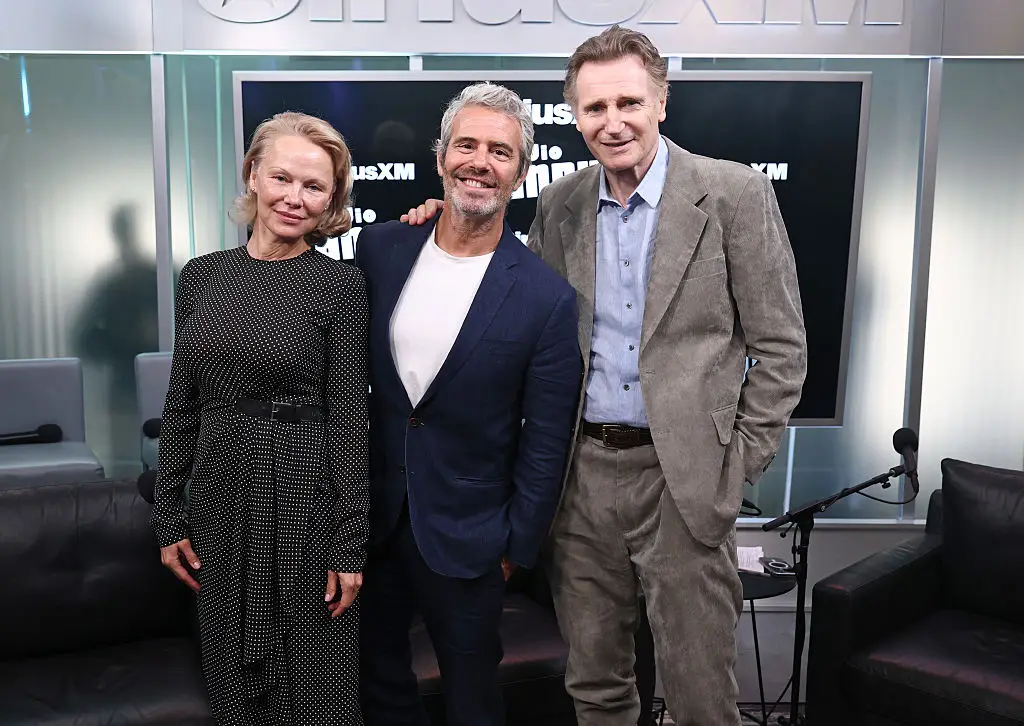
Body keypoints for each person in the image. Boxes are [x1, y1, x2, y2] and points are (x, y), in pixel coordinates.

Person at [404, 26, 807, 726]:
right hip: (580, 479)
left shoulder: (735, 194)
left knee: (702, 700)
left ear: (661, 103)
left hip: (684, 481)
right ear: (575, 114)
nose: (611, 122)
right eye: (594, 108)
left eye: (628, 102)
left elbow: (781, 348)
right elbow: (512, 296)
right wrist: (445, 223)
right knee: (595, 688)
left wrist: (735, 465)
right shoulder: (560, 203)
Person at [355, 82, 583, 726]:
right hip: (373, 524)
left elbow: (546, 438)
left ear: (521, 172)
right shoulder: (383, 249)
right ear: (440, 156)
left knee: (472, 700)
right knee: (378, 682)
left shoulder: (545, 298)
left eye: (500, 152)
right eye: (467, 145)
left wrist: (517, 545)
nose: (480, 161)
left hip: (473, 536)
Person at [150, 111, 370, 726]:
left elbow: (350, 416)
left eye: (315, 187)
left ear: (332, 199)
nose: (294, 199)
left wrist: (349, 543)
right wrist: (170, 515)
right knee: (234, 682)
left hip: (306, 496)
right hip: (220, 493)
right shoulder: (202, 276)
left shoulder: (341, 286)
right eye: (282, 178)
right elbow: (182, 404)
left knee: (314, 684)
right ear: (252, 174)